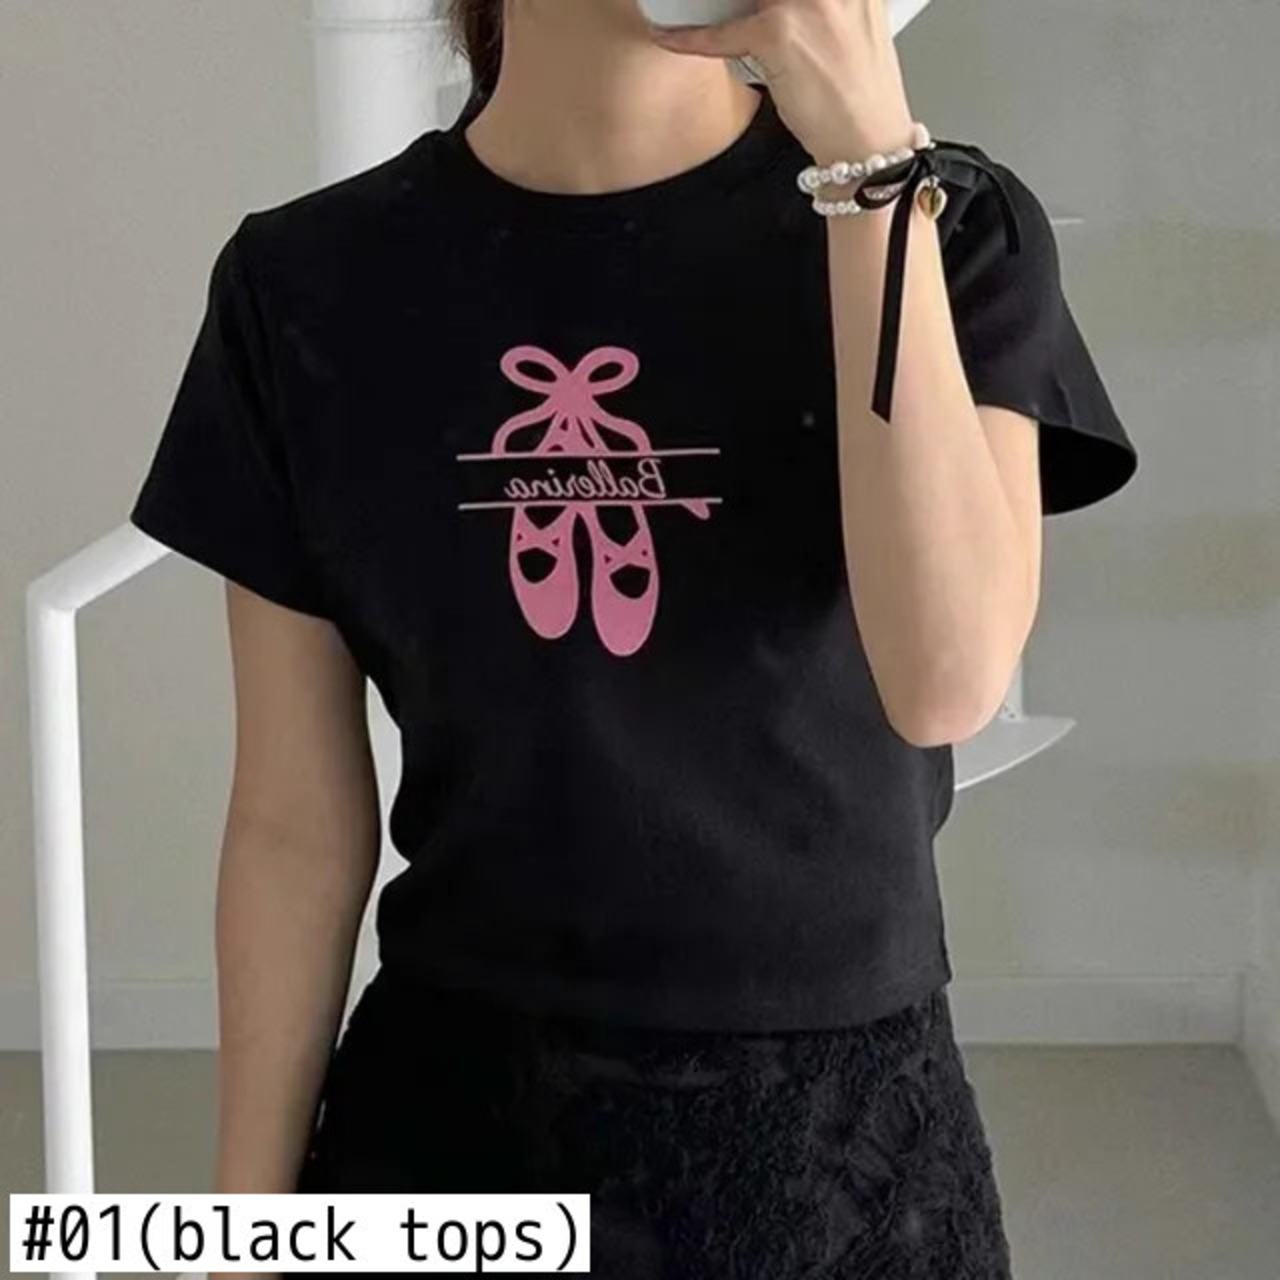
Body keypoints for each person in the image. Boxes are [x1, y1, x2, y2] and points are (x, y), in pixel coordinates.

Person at [127, 1, 1139, 1276]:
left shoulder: (946, 228)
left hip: (836, 1167)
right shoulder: (303, 284)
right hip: (449, 1137)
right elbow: (292, 824)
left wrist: (869, 175)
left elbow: (944, 678)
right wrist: (238, 1237)